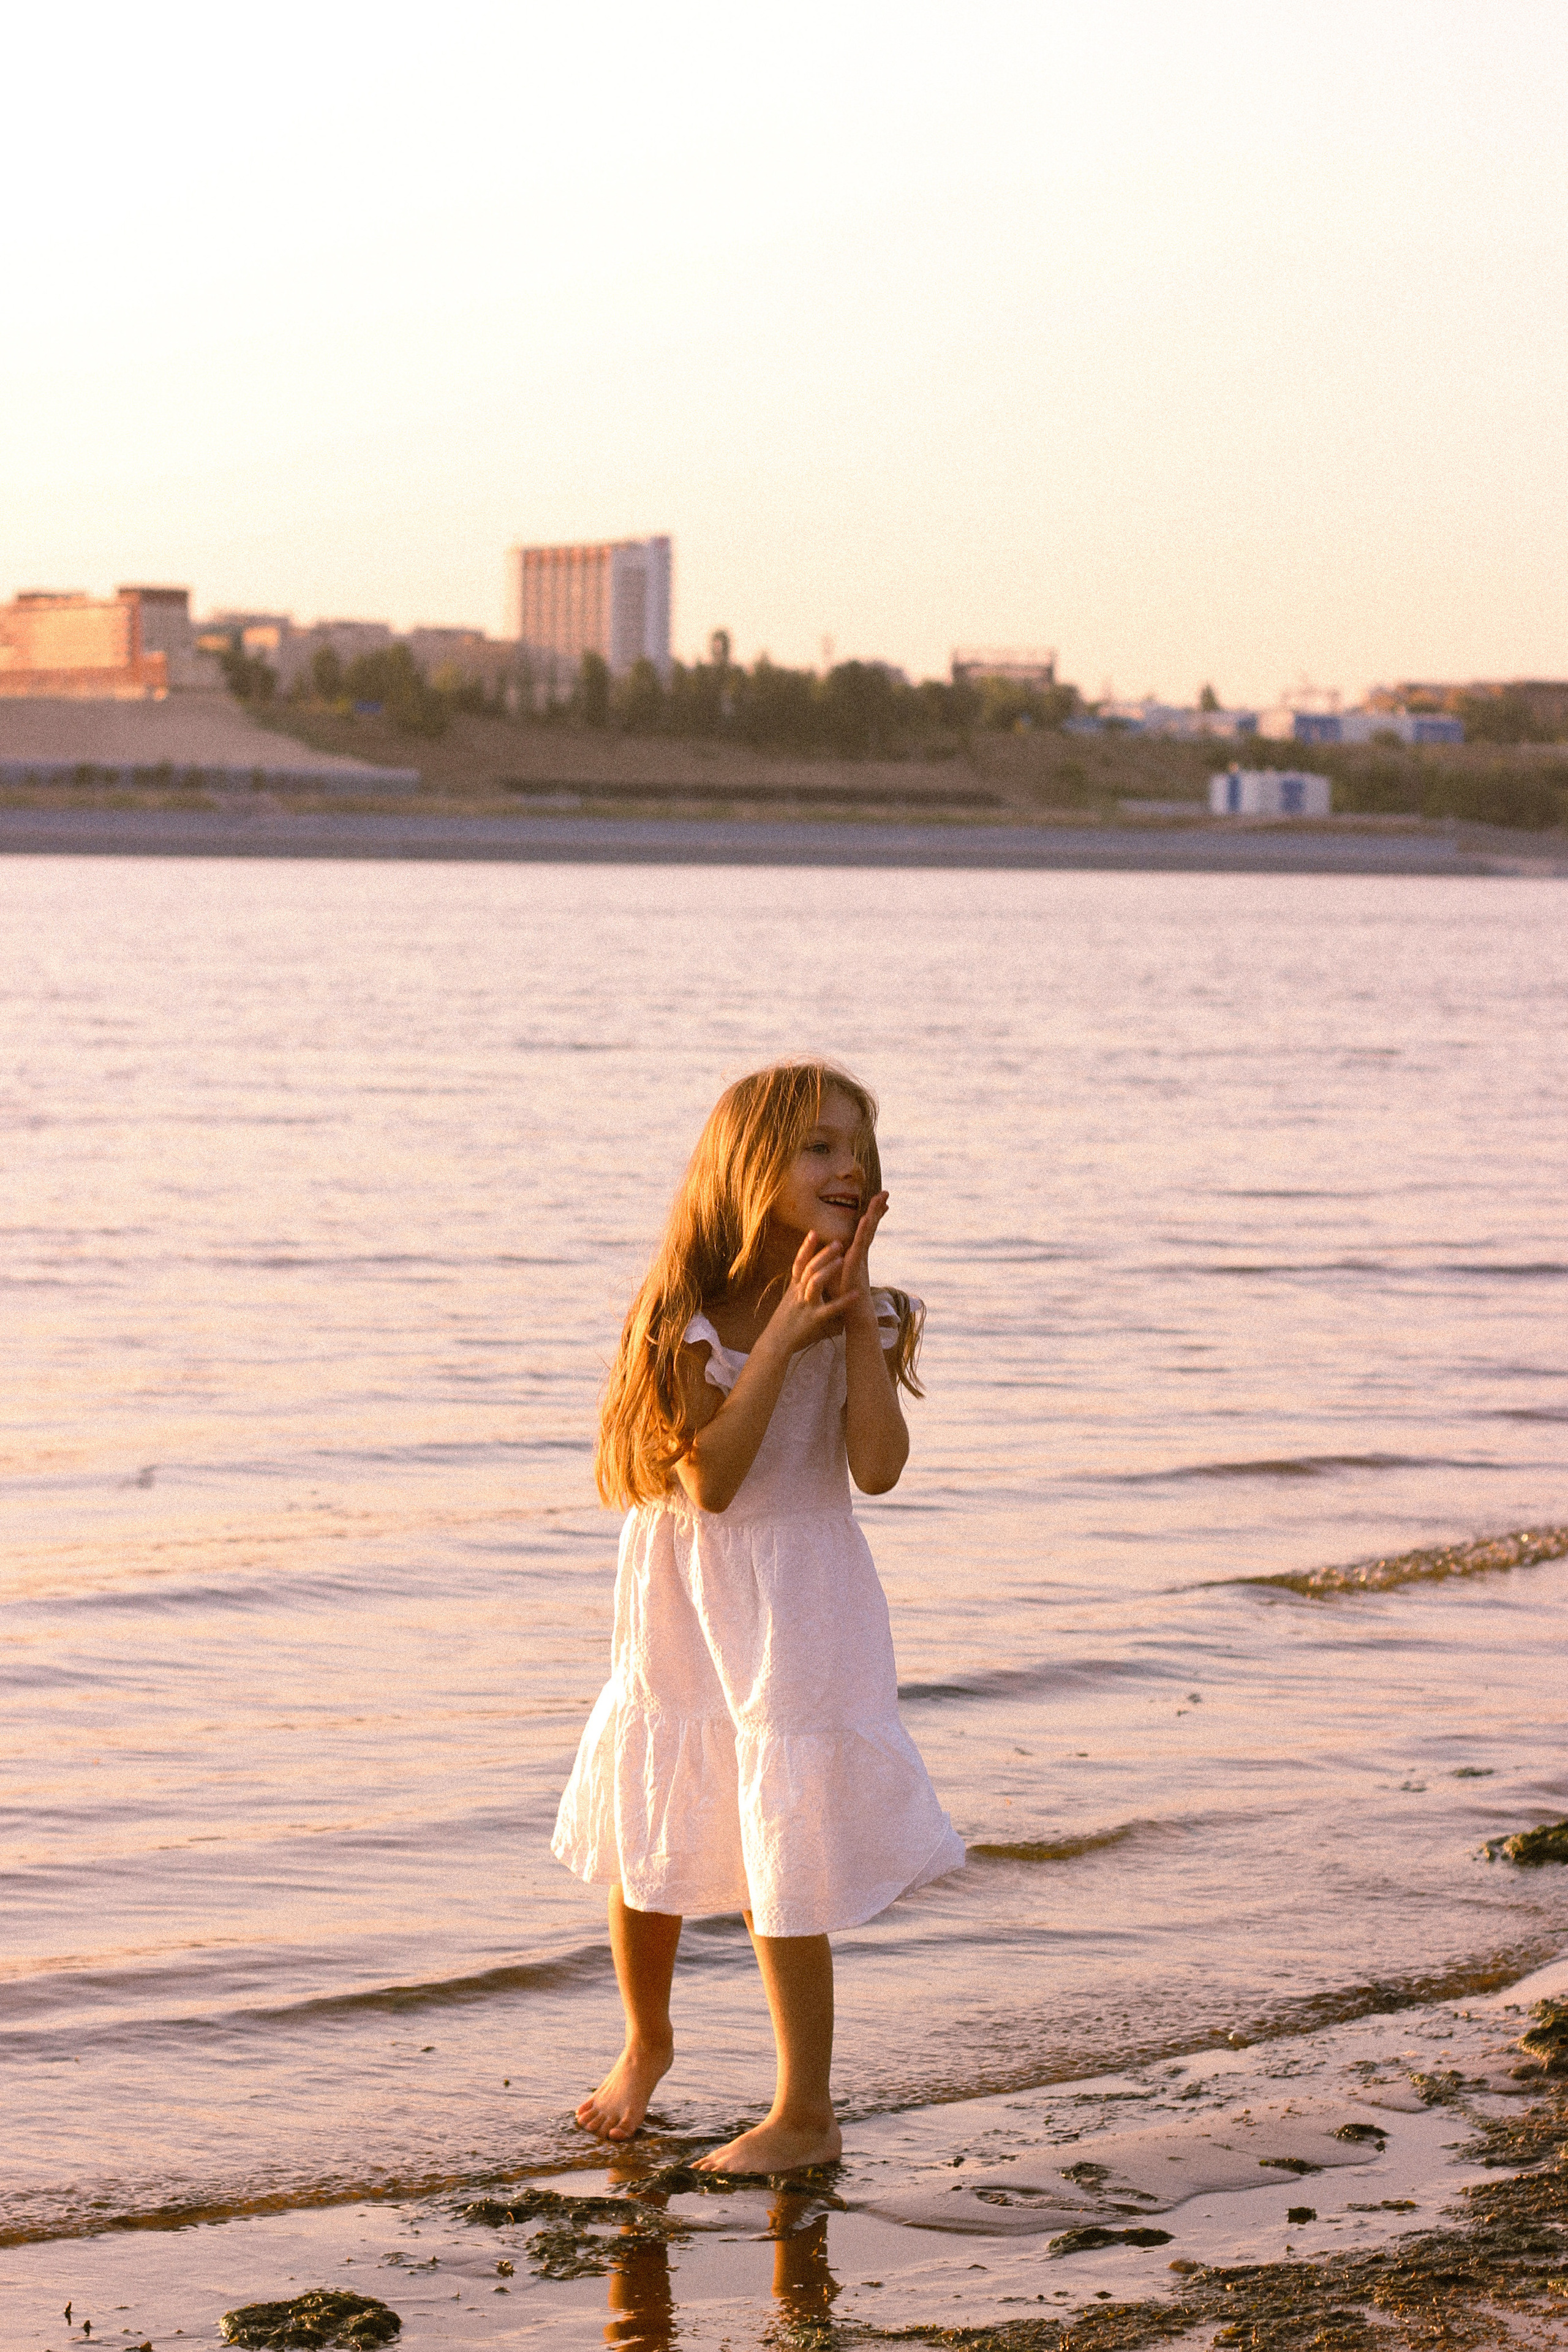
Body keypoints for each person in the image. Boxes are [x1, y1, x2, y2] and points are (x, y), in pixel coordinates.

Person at [552, 1059, 964, 2174]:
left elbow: (876, 1467)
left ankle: (805, 2111)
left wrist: (852, 1313)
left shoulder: (868, 1311)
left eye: (857, 1149)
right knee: (660, 1810)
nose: (848, 1168)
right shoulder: (685, 1315)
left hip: (801, 1597)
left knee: (782, 1831)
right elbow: (714, 1482)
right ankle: (647, 2042)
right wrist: (781, 1334)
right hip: (690, 1587)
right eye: (820, 1148)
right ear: (752, 1169)